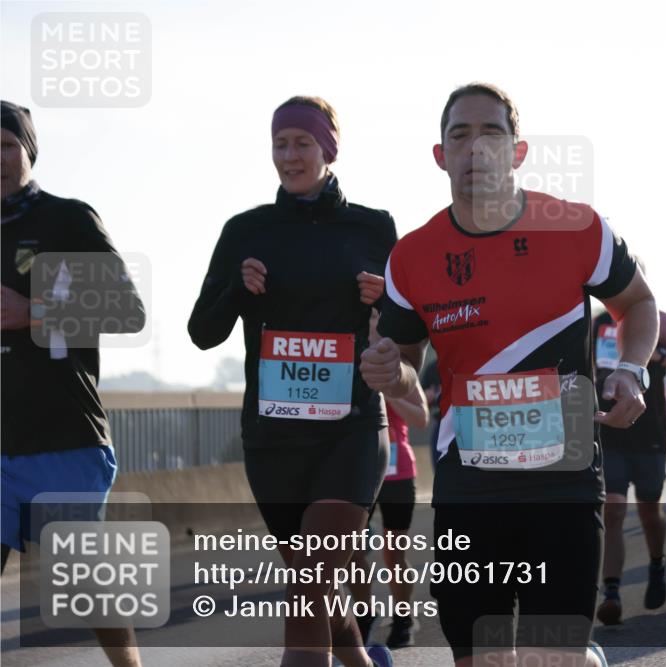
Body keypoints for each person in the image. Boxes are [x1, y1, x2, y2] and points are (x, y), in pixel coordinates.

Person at [360, 82, 659, 667]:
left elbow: (638, 305)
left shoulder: (576, 226)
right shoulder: (413, 256)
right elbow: (407, 374)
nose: (476, 149)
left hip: (562, 481)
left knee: (552, 657)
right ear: (440, 155)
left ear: (517, 152)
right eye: (460, 135)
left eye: (492, 133)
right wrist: (386, 373)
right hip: (469, 486)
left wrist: (631, 370)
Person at [187, 95, 395, 667]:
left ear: (328, 149)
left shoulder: (373, 228)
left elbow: (408, 332)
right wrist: (235, 288)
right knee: (324, 599)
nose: (290, 155)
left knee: (307, 585)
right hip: (273, 441)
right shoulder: (246, 231)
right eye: (280, 143)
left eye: (302, 142)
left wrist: (387, 304)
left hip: (349, 431)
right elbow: (202, 333)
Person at [1, 100, 146, 667]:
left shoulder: (67, 219)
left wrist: (32, 312)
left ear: (29, 151)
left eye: (8, 145)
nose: (0, 159)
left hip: (64, 438)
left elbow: (126, 311)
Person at [592, 304, 666, 626]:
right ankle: (611, 592)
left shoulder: (659, 320)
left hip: (649, 430)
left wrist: (659, 356)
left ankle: (657, 563)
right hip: (607, 428)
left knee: (648, 510)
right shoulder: (596, 324)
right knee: (612, 510)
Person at [349, 312, 429, 648]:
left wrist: (389, 391)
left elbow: (422, 417)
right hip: (356, 470)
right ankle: (363, 616)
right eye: (367, 317)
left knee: (393, 552)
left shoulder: (396, 359)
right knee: (351, 551)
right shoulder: (349, 357)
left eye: (378, 317)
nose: (373, 322)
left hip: (398, 471)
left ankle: (403, 617)